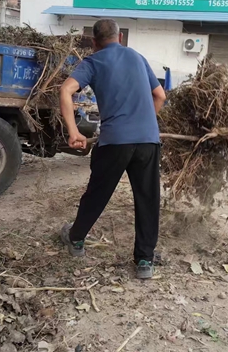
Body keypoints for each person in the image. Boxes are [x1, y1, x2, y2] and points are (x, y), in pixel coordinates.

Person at [58, 18, 167, 279]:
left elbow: (65, 91)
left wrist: (74, 133)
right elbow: (160, 95)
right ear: (120, 38)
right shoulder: (138, 58)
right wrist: (144, 123)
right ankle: (144, 262)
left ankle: (76, 239)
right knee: (148, 199)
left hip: (115, 141)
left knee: (97, 193)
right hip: (148, 141)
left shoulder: (93, 62)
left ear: (94, 43)